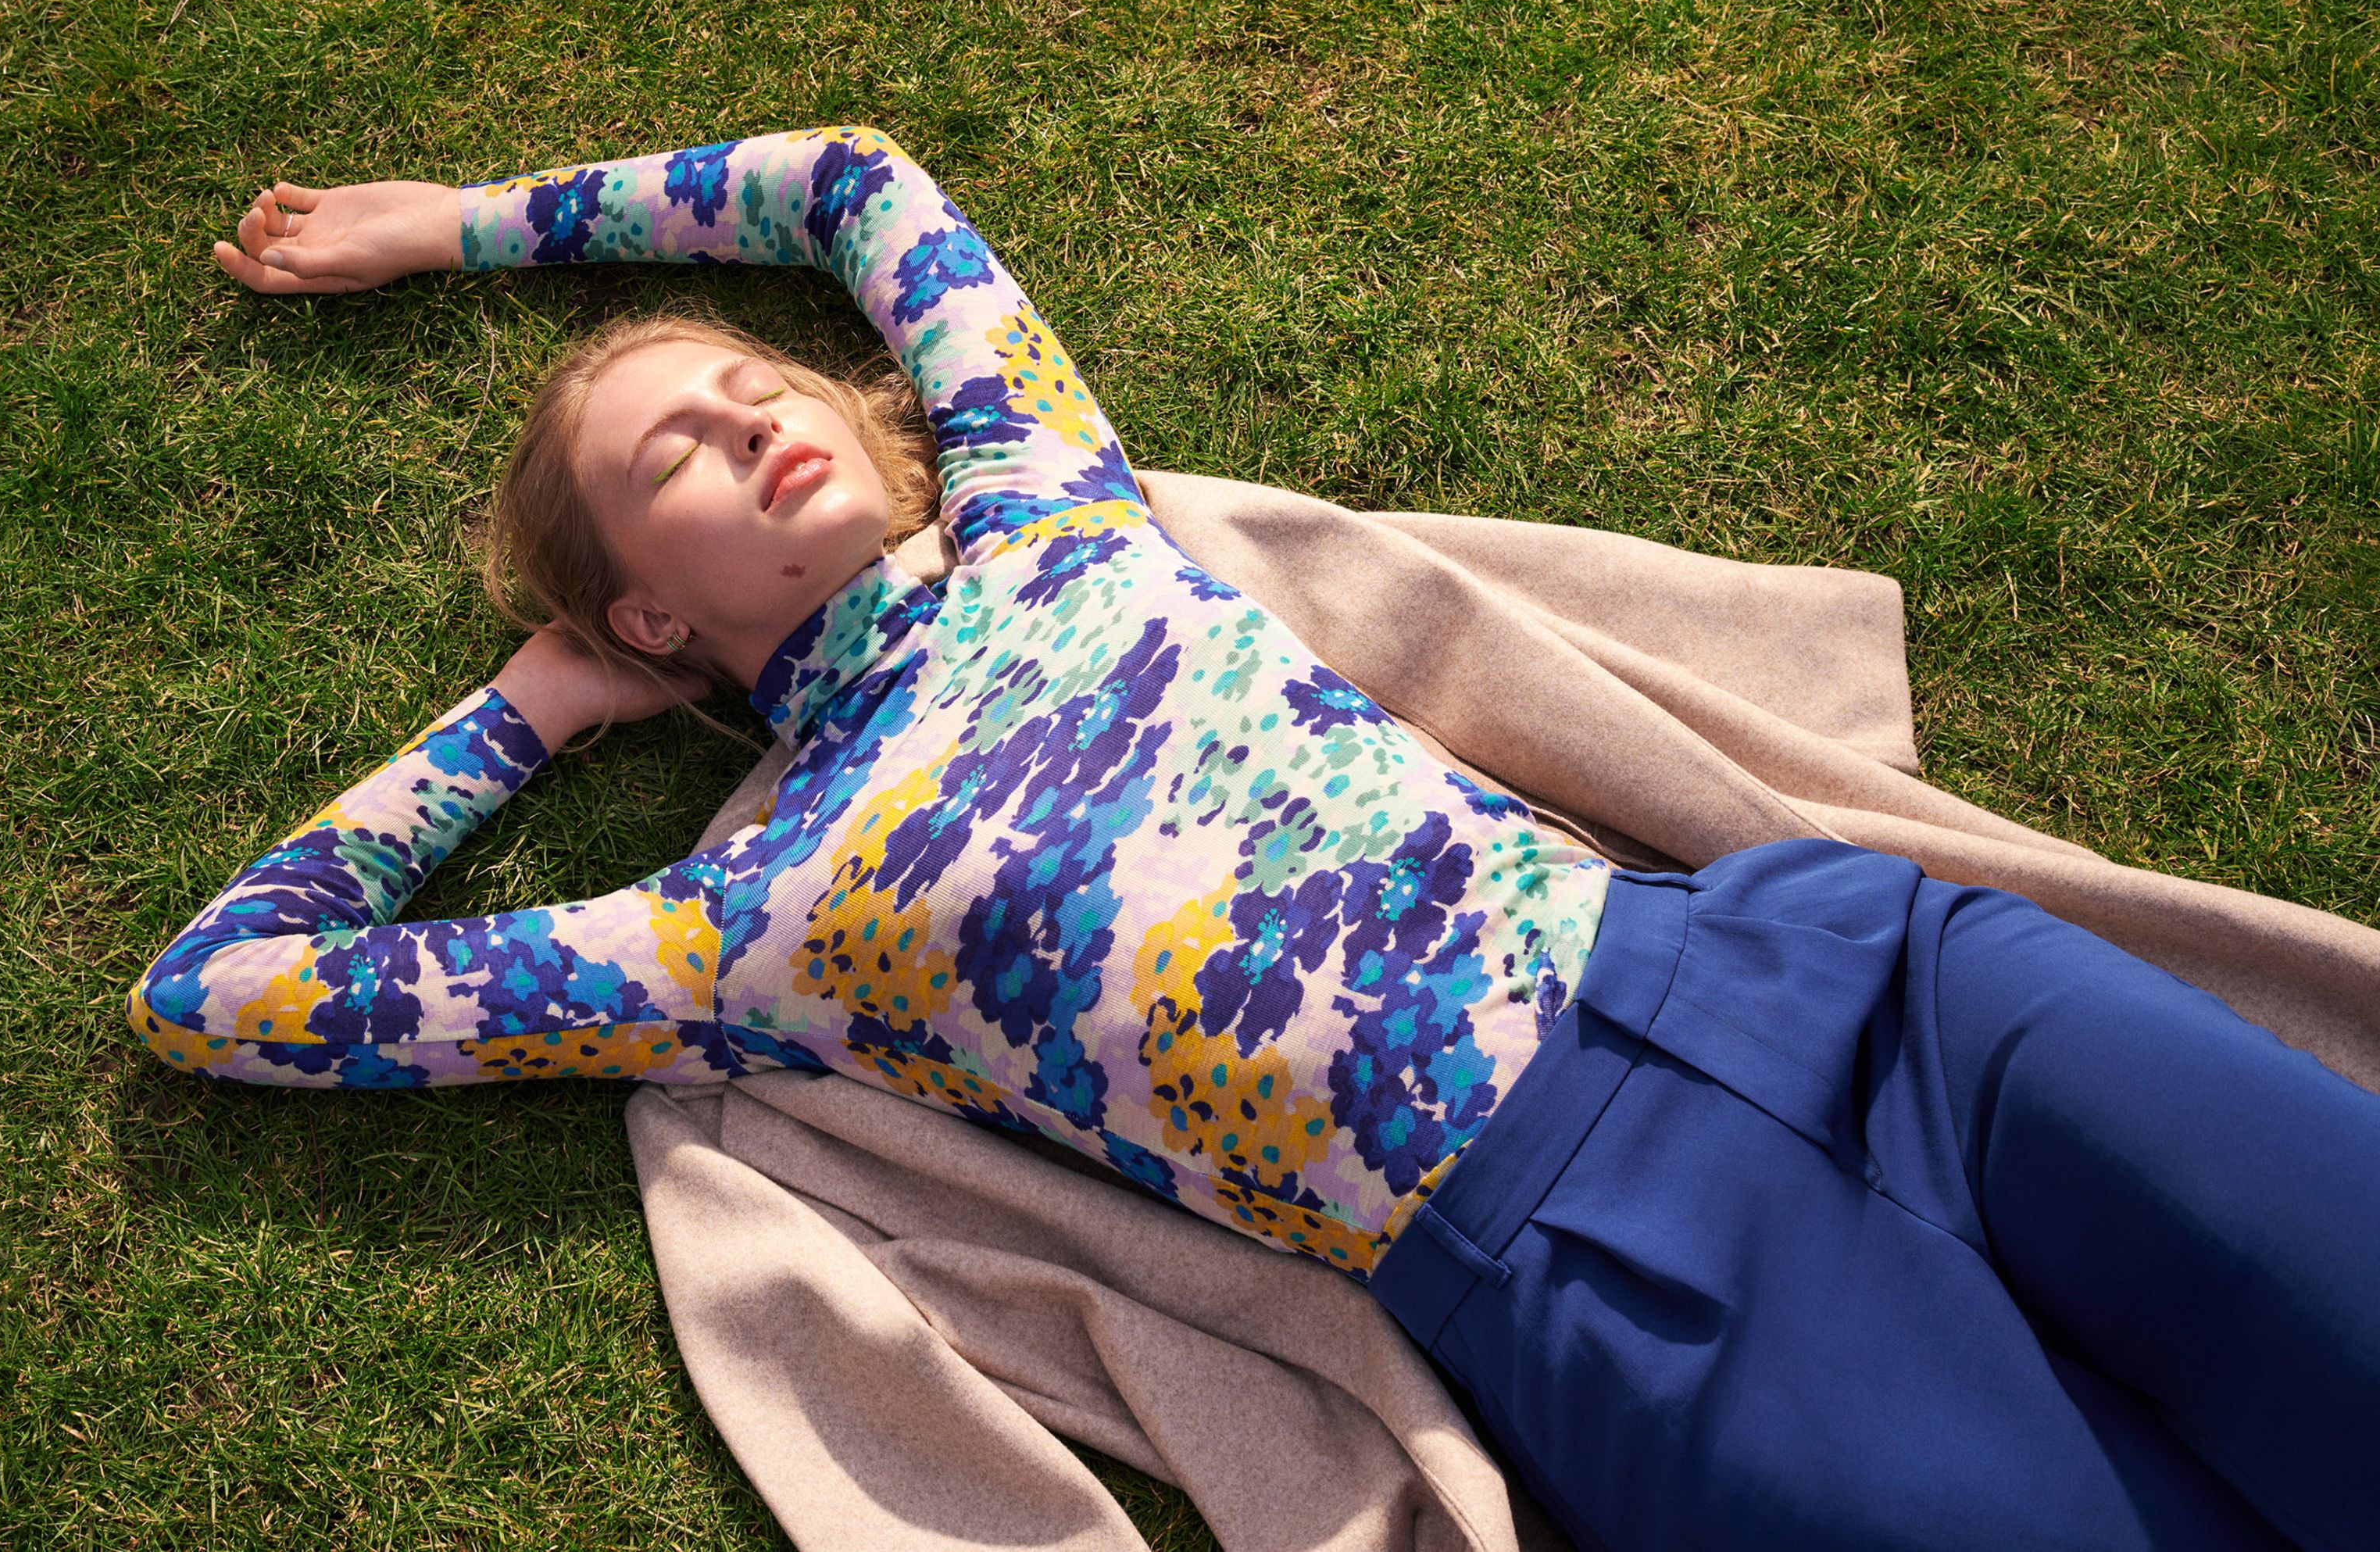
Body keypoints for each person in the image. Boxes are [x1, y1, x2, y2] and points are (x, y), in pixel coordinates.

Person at [129, 127, 2380, 1552]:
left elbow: (850, 186)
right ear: (651, 612)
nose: (748, 417)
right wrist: (527, 712)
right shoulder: (741, 932)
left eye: (756, 385)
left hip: (1849, 979)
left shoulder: (1050, 511)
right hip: (1605, 1277)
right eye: (674, 463)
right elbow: (222, 994)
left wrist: (463, 229)